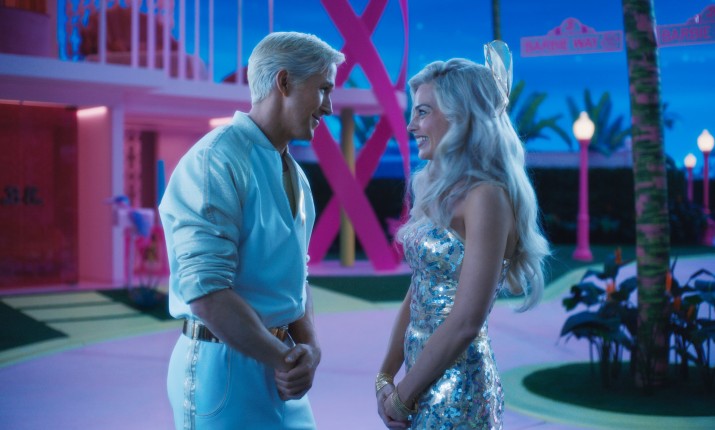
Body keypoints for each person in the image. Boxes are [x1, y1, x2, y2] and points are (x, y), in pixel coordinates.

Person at [159, 31, 344, 429]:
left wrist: (310, 348)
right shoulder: (214, 160)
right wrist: (285, 359)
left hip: (278, 368)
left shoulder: (294, 173)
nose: (329, 107)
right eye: (323, 90)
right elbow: (207, 294)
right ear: (284, 82)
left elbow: (295, 279)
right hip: (222, 372)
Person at [375, 41, 550, 429]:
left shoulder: (487, 197)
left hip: (458, 392)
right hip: (417, 385)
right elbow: (418, 288)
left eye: (423, 112)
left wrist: (402, 396)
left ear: (461, 116)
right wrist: (385, 377)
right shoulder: (435, 189)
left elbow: (468, 320)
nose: (411, 125)